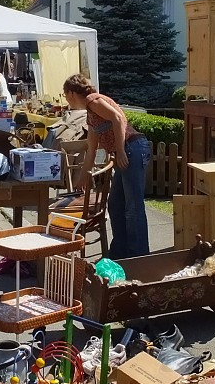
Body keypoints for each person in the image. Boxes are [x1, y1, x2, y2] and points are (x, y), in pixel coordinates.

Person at [62, 74, 152, 259]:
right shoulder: (90, 114)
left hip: (132, 149)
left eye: (65, 94)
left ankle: (139, 257)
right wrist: (82, 179)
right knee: (116, 204)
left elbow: (118, 118)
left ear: (71, 92)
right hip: (126, 151)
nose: (66, 99)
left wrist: (120, 150)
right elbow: (91, 150)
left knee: (133, 207)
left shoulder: (93, 100)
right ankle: (119, 252)